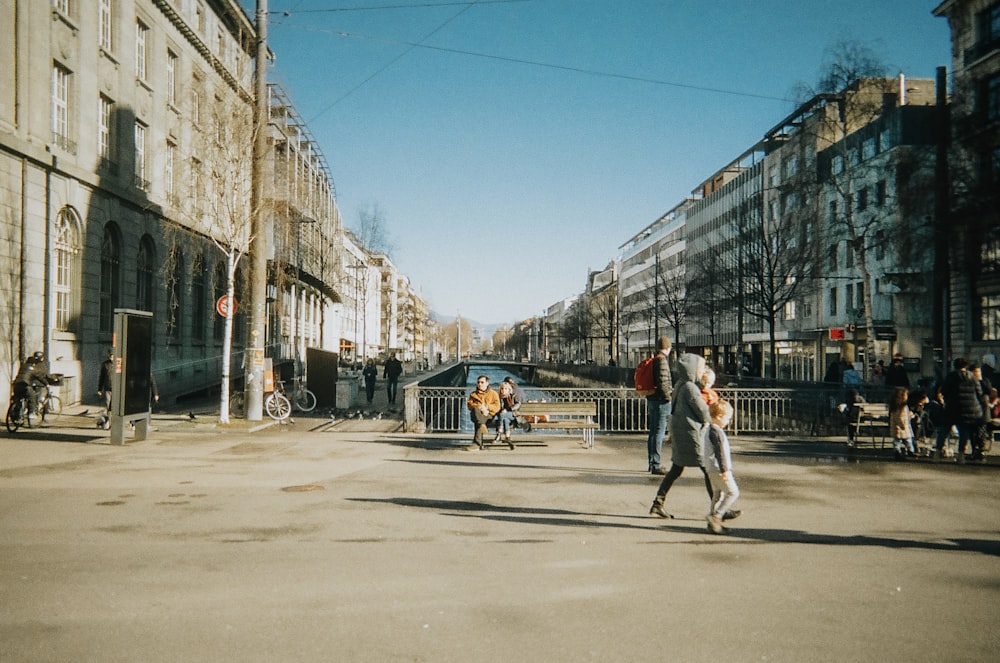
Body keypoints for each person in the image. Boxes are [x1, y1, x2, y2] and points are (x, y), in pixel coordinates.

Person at [648, 353, 714, 519]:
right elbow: (702, 410)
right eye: (700, 368)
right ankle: (718, 508)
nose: (702, 372)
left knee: (676, 469)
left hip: (681, 432)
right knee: (708, 469)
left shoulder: (680, 384)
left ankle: (658, 502)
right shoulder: (691, 388)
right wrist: (711, 420)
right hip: (691, 433)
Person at [703, 399, 740, 534]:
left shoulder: (708, 429)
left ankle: (712, 520)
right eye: (727, 418)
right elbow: (720, 453)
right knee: (733, 492)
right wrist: (725, 470)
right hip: (719, 468)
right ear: (719, 417)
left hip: (710, 468)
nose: (728, 421)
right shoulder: (717, 432)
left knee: (718, 494)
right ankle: (717, 516)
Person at [940, 358, 984, 464]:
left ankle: (937, 452)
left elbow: (944, 391)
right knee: (964, 432)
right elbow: (979, 392)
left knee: (944, 430)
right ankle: (961, 455)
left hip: (952, 407)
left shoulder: (951, 376)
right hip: (968, 409)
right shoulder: (972, 377)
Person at [645, 337, 673, 475]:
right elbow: (663, 383)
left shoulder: (654, 359)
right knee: (659, 433)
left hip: (652, 399)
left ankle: (651, 462)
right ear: (668, 347)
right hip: (660, 401)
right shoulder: (662, 361)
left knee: (653, 432)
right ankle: (656, 464)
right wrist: (668, 398)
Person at [466, 374, 500, 450]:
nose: (479, 384)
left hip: (489, 415)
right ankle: (481, 425)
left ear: (487, 383)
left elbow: (497, 407)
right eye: (478, 382)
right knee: (476, 411)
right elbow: (469, 405)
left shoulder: (493, 393)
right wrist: (480, 407)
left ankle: (477, 444)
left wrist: (487, 408)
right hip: (478, 414)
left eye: (482, 382)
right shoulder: (473, 394)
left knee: (478, 422)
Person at [14, 351, 52, 415]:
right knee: (32, 398)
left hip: (16, 384)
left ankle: (16, 414)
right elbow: (40, 376)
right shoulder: (34, 368)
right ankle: (31, 414)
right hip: (26, 384)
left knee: (18, 399)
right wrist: (46, 383)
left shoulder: (23, 366)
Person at [889, 387, 916, 459]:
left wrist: (911, 415)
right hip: (901, 426)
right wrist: (902, 424)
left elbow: (905, 415)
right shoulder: (901, 407)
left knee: (900, 440)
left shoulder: (897, 407)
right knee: (904, 440)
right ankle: (907, 451)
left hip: (901, 426)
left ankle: (900, 451)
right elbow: (899, 417)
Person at [493, 380, 519, 449]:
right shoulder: (498, 397)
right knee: (505, 420)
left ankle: (499, 433)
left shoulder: (513, 396)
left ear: (509, 389)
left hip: (512, 415)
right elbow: (496, 407)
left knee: (503, 415)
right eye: (502, 388)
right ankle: (508, 437)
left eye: (505, 388)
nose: (503, 390)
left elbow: (517, 405)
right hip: (503, 417)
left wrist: (507, 410)